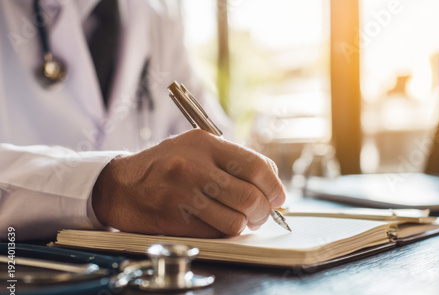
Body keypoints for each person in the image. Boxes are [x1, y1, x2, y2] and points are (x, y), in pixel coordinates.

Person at [0, 0, 286, 240]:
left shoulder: (158, 15)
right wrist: (107, 189)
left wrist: (230, 181)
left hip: (140, 278)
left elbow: (214, 144)